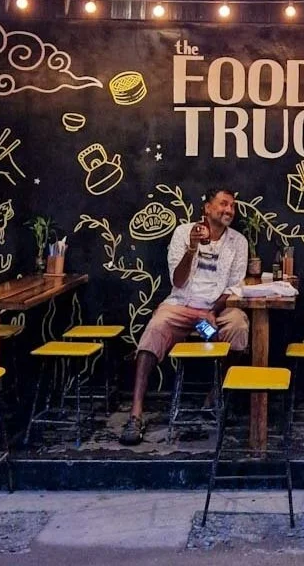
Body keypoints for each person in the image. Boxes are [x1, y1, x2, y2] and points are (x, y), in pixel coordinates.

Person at [120, 186, 249, 445]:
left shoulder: (238, 242)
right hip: (181, 306)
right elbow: (178, 282)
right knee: (155, 328)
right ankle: (135, 413)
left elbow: (234, 286)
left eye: (232, 206)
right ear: (207, 208)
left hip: (212, 315)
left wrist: (212, 312)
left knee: (238, 326)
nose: (229, 210)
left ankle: (216, 396)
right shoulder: (182, 233)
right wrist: (192, 248)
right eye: (223, 204)